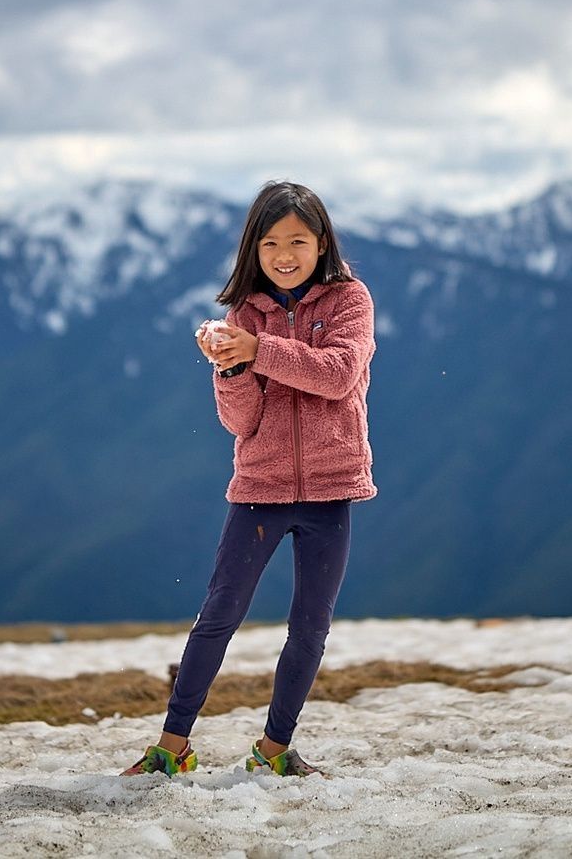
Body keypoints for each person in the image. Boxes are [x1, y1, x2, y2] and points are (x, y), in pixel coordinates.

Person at [120, 179, 377, 779]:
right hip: (259, 488)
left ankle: (274, 749)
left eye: (297, 241)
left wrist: (255, 350)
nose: (283, 255)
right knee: (219, 614)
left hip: (331, 486)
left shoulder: (350, 301)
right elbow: (241, 421)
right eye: (269, 244)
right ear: (252, 252)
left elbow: (339, 375)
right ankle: (172, 747)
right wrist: (231, 365)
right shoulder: (243, 316)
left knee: (310, 626)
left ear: (322, 244)